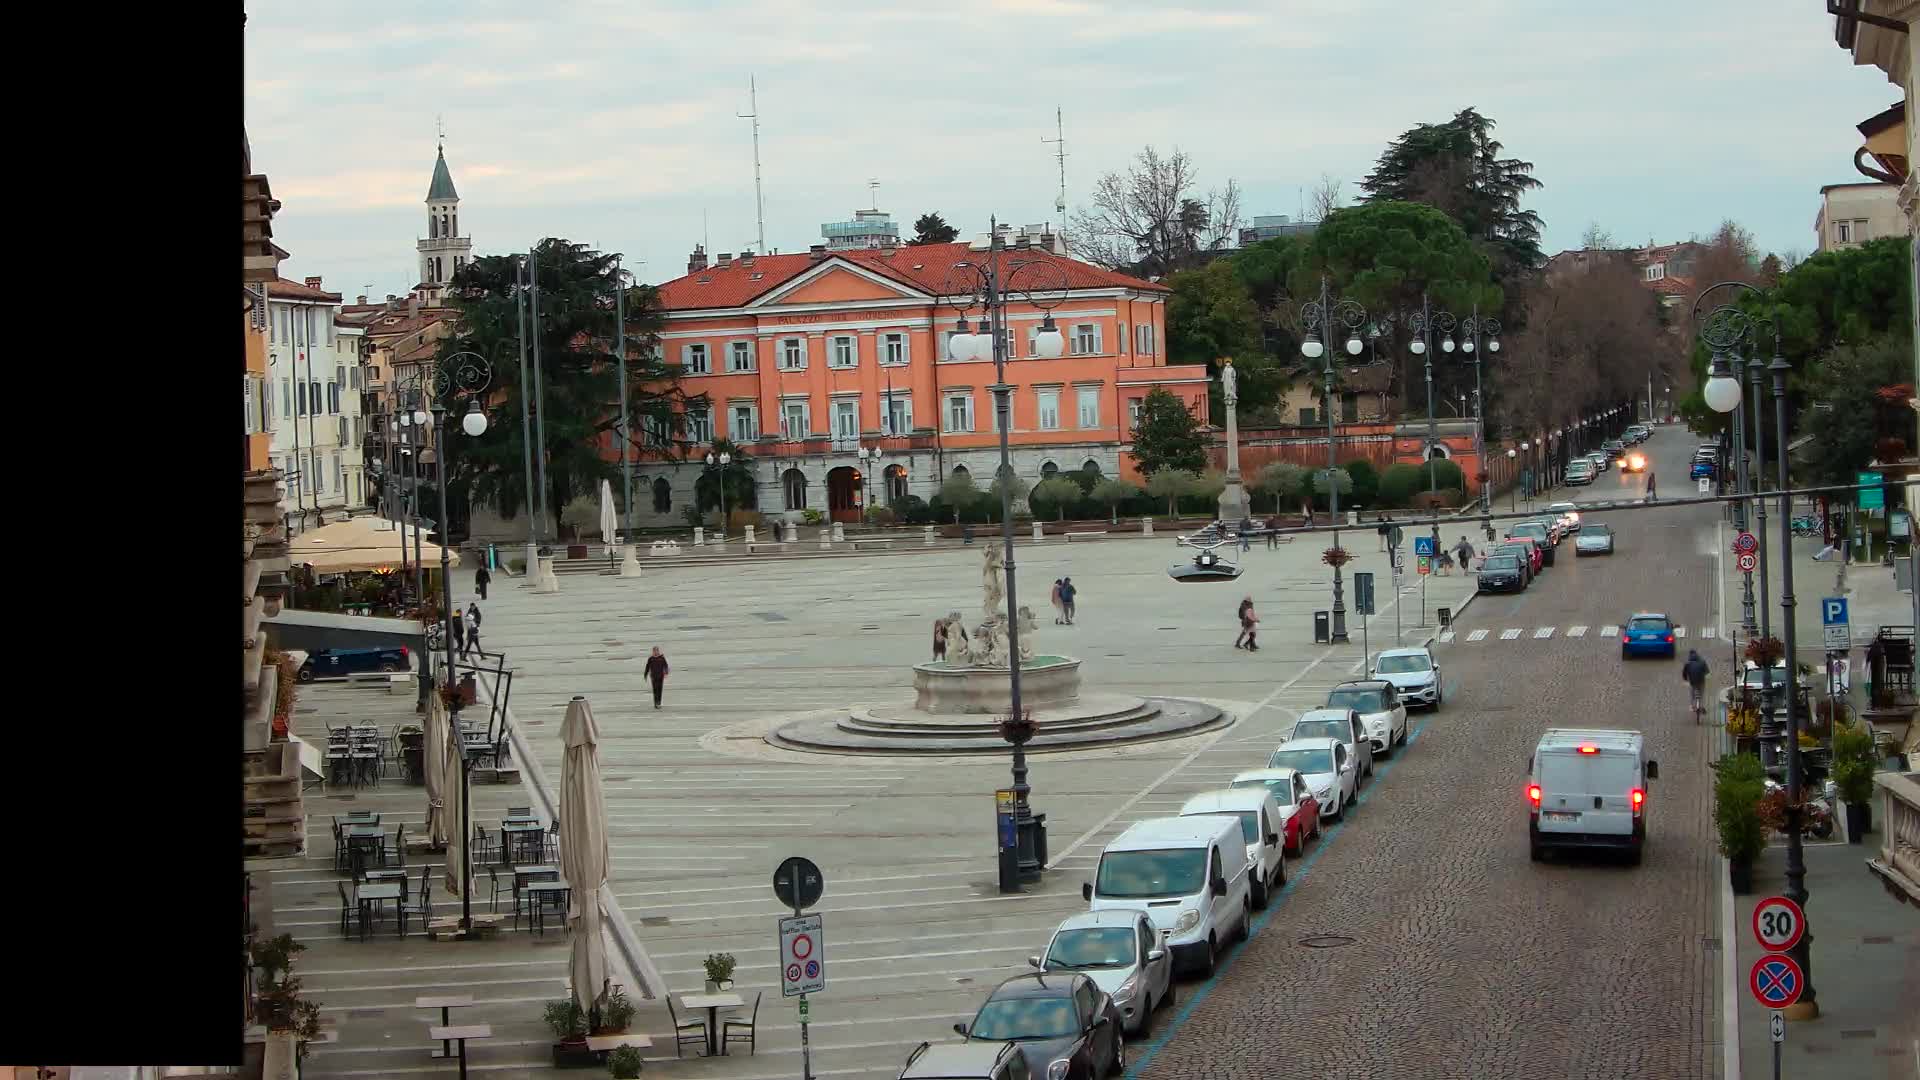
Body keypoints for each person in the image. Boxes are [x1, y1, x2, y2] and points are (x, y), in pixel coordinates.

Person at [1681, 650, 1709, 715]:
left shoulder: (1687, 664)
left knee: (1692, 694)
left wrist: (1685, 680)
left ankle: (1691, 706)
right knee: (1701, 694)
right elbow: (1707, 672)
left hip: (1692, 682)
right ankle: (1701, 706)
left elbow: (1684, 674)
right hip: (1701, 681)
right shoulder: (1702, 662)